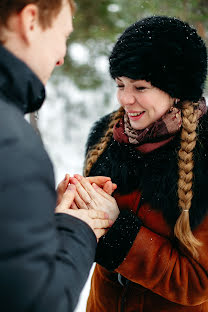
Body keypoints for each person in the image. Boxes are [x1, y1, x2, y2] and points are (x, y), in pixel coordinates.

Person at [69, 16, 208, 311]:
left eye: (140, 87)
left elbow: (198, 284)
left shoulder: (204, 161)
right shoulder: (107, 137)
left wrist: (118, 227)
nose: (125, 98)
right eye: (120, 84)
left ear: (177, 89)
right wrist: (72, 208)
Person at [0, 1, 118, 311]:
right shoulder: (12, 143)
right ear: (31, 21)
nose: (62, 57)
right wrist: (79, 227)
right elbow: (39, 302)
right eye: (63, 35)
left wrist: (35, 214)